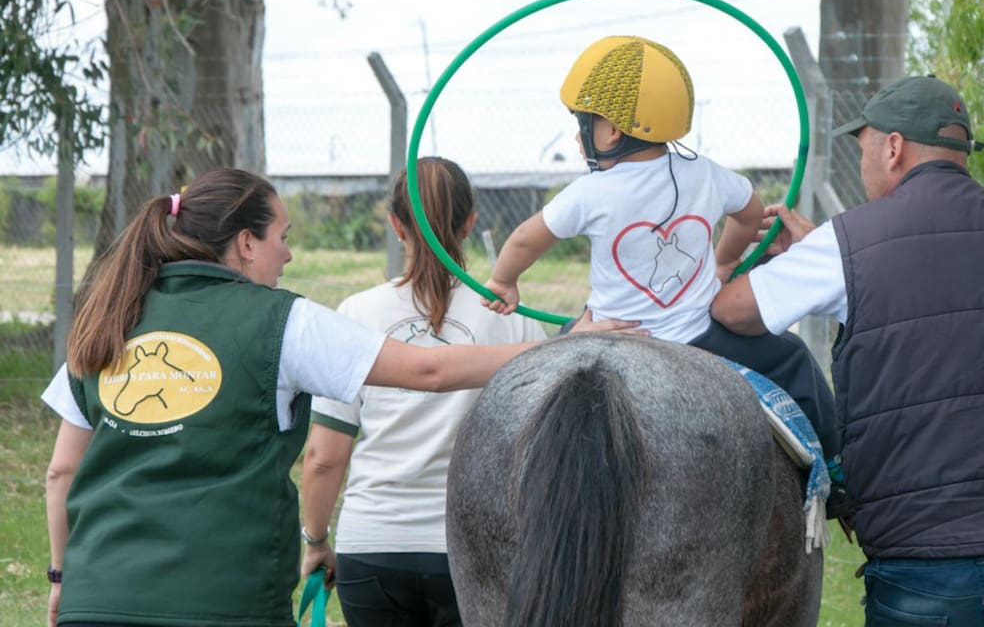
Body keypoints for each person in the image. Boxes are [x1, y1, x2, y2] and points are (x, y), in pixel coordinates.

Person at [40, 167, 631, 627]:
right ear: (246, 243)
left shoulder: (107, 317)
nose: (288, 253)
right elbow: (427, 369)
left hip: (95, 599)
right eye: (282, 237)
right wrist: (563, 343)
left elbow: (61, 472)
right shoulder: (283, 321)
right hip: (224, 603)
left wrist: (62, 576)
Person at [711, 75, 984, 625]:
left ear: (893, 147)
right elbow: (953, 290)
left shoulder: (846, 243)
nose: (864, 165)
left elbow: (730, 310)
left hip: (923, 563)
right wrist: (824, 249)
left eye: (863, 150)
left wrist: (739, 259)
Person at [482, 35, 842, 470]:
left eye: (583, 124)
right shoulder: (705, 173)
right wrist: (725, 260)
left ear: (612, 131)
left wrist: (503, 280)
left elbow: (525, 239)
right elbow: (749, 215)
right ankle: (836, 464)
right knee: (793, 357)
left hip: (608, 334)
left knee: (545, 362)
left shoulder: (588, 192)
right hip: (701, 337)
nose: (578, 138)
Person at [300, 157, 544, 627]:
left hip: (372, 547)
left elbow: (324, 458)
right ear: (471, 224)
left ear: (396, 225)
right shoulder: (516, 320)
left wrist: (315, 541)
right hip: (477, 552)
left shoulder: (356, 313)